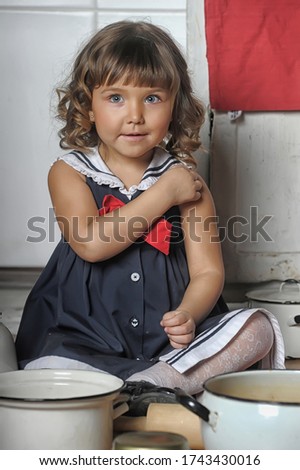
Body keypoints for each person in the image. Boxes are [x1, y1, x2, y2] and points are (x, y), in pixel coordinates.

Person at [15, 20, 285, 400]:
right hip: (81, 337)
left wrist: (189, 314)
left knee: (257, 328)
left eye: (153, 98)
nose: (135, 115)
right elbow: (91, 244)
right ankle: (136, 388)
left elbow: (208, 271)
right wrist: (163, 194)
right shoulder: (69, 172)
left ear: (175, 106)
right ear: (87, 105)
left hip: (166, 348)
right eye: (115, 98)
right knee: (48, 370)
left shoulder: (187, 183)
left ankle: (155, 383)